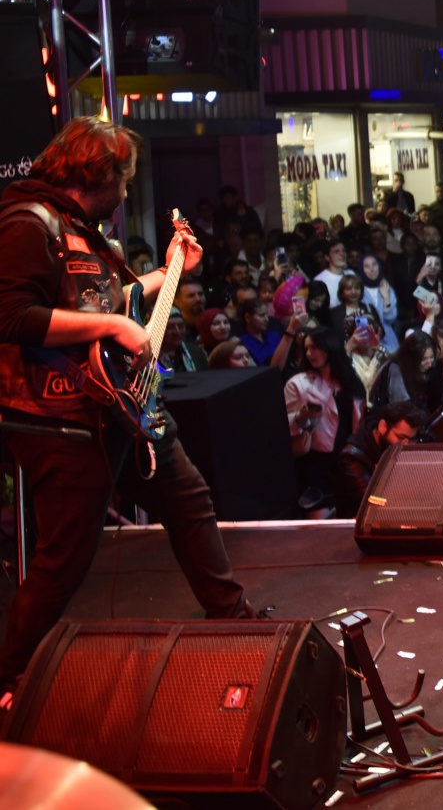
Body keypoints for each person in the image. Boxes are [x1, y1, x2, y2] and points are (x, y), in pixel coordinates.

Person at [0, 118, 257, 702]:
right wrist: (114, 326)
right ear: (100, 173)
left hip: (118, 403)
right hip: (59, 417)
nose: (126, 191)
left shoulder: (87, 233)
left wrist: (169, 272)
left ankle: (232, 616)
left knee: (188, 500)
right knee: (65, 558)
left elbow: (113, 301)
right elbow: (12, 317)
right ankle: (10, 674)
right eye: (124, 178)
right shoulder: (27, 222)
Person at [285, 327, 367, 510]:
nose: (309, 353)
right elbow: (282, 424)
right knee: (320, 520)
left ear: (330, 347)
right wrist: (300, 416)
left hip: (347, 461)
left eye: (314, 347)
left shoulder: (350, 381)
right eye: (306, 348)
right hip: (316, 465)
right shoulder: (298, 383)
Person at [334, 400, 426, 517]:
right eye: (400, 437)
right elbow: (373, 501)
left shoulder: (393, 451)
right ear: (383, 427)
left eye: (411, 439)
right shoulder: (351, 458)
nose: (405, 444)